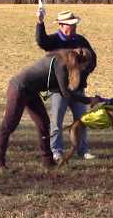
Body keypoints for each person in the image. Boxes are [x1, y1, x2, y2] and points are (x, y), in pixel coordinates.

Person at [0, 48, 100, 172]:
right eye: (84, 67)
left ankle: (48, 161)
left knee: (43, 123)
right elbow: (66, 94)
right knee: (8, 125)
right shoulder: (61, 64)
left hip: (30, 91)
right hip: (19, 88)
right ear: (79, 63)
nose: (82, 71)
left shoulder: (62, 60)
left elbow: (61, 90)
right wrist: (89, 100)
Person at [36, 9, 97, 163]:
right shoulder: (54, 40)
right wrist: (40, 22)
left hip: (78, 90)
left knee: (82, 120)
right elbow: (41, 41)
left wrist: (83, 74)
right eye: (71, 24)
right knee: (56, 122)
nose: (74, 27)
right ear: (62, 25)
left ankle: (83, 150)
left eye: (75, 24)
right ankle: (56, 151)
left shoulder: (81, 40)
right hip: (58, 91)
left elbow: (92, 60)